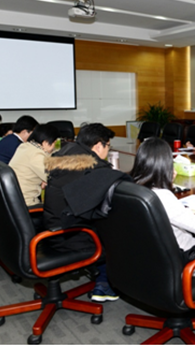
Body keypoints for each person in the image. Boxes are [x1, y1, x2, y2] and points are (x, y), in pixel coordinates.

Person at [43, 123, 131, 303]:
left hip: (52, 228)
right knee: (120, 228)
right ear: (98, 145)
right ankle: (104, 284)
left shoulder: (64, 154)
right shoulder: (94, 169)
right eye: (108, 146)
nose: (108, 150)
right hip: (72, 236)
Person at [130, 137, 195, 276]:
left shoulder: (131, 188)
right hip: (183, 259)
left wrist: (166, 181)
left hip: (147, 259)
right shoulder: (163, 196)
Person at [9, 124, 59, 208]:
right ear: (46, 142)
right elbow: (55, 178)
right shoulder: (36, 155)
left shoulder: (24, 146)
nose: (54, 146)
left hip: (13, 198)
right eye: (54, 142)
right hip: (26, 203)